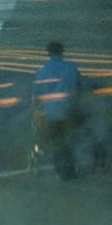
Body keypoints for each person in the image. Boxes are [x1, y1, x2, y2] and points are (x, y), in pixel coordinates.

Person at [32, 41, 82, 180]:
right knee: (69, 140)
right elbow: (78, 87)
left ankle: (61, 171)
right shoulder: (71, 67)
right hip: (68, 109)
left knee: (56, 142)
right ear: (62, 51)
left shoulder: (42, 71)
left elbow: (36, 94)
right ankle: (71, 170)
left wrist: (38, 111)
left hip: (50, 112)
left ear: (48, 53)